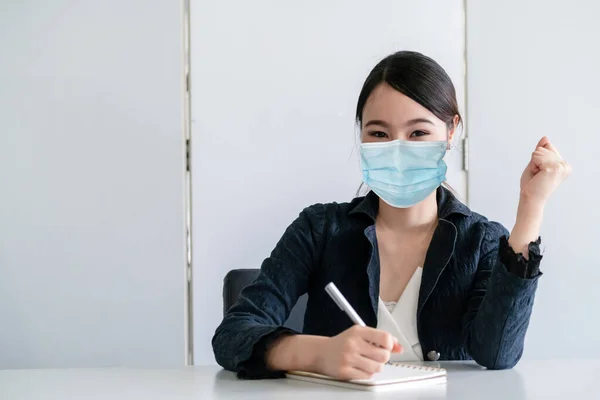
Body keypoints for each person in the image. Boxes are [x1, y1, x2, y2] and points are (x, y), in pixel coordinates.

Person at [212, 51, 572, 380]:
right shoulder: (318, 230)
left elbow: (498, 354)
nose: (397, 151)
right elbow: (233, 334)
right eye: (379, 134)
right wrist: (319, 353)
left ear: (450, 132)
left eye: (418, 133)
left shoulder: (481, 240)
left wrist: (530, 207)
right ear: (362, 136)